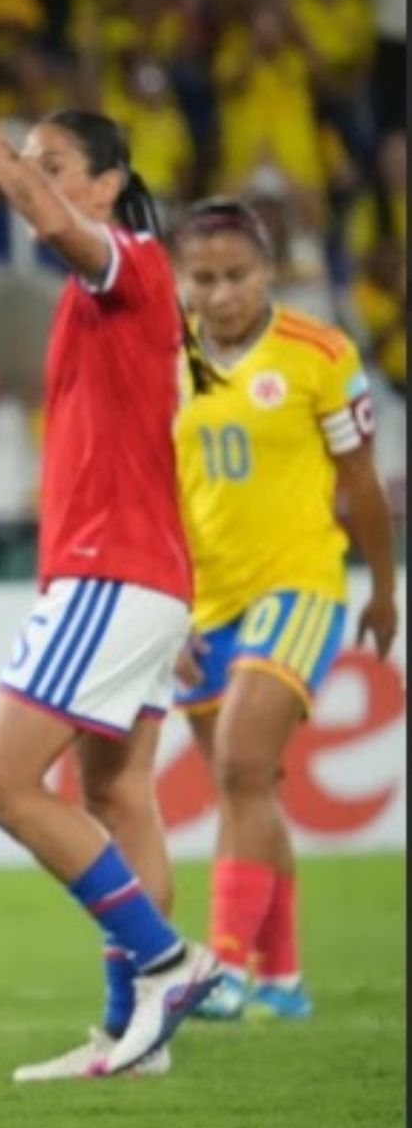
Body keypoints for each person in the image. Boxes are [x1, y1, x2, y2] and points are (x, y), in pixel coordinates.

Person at [0, 31, 224, 1085]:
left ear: (109, 185)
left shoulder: (126, 267)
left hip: (111, 571)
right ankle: (127, 1035)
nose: (40, 182)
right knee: (116, 793)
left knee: (3, 782)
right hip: (142, 574)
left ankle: (165, 961)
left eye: (60, 165)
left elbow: (49, 218)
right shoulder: (125, 296)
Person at [170, 197, 400, 1020]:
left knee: (239, 762)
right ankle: (284, 978)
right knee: (248, 787)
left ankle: (226, 967)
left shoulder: (319, 353)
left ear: (268, 270)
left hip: (298, 585)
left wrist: (382, 586)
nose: (223, 293)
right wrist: (169, 613)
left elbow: (361, 481)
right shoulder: (166, 355)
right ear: (180, 279)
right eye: (203, 278)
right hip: (202, 604)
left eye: (237, 275)